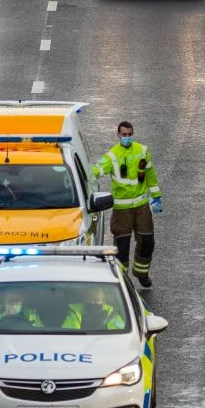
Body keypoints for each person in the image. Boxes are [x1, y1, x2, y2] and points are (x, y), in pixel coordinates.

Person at [92, 121, 161, 288]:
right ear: (118, 135)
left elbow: (150, 174)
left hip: (142, 206)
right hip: (122, 210)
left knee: (147, 241)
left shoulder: (142, 151)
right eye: (124, 135)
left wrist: (157, 196)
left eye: (130, 134)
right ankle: (122, 281)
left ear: (133, 133)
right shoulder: (112, 156)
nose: (127, 138)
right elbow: (95, 171)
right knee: (122, 247)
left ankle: (142, 273)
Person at [62, 287, 128, 330]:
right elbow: (69, 331)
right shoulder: (76, 312)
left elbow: (118, 335)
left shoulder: (112, 315)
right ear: (84, 300)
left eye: (96, 300)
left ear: (104, 300)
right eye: (90, 300)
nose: (93, 303)